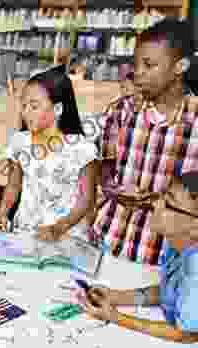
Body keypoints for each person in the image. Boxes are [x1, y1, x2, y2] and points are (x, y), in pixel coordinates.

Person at [93, 18, 198, 266]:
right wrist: (111, 188)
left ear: (179, 66)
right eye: (136, 64)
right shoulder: (121, 111)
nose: (137, 73)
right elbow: (104, 166)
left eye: (149, 65)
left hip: (164, 260)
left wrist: (155, 200)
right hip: (106, 243)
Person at [78, 170, 198, 344]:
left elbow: (186, 334)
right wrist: (117, 297)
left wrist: (115, 317)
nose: (155, 204)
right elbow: (173, 291)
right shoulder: (178, 243)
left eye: (168, 203)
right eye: (161, 196)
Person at [0, 65, 98, 242]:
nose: (26, 113)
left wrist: (59, 228)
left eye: (34, 106)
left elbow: (86, 200)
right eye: (24, 106)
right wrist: (2, 213)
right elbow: (13, 186)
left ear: (57, 109)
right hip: (25, 232)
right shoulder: (20, 142)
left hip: (67, 237)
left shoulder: (83, 149)